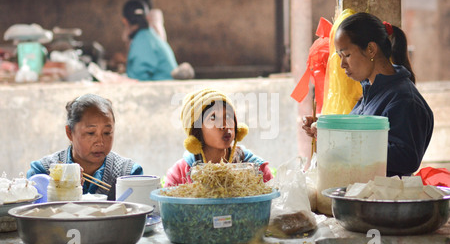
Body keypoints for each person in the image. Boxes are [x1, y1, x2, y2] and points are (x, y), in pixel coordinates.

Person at [303, 12, 434, 177]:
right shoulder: (371, 92)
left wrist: (336, 138)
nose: (342, 64)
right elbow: (356, 137)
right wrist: (327, 129)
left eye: (347, 55)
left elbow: (407, 158)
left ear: (371, 49)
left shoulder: (404, 99)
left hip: (384, 200)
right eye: (340, 57)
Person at [27, 94, 143, 199]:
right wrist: (61, 192)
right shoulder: (44, 172)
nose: (100, 142)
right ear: (70, 132)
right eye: (91, 133)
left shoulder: (128, 175)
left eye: (107, 132)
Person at [165, 88, 273, 186]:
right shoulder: (180, 175)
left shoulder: (258, 170)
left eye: (228, 116)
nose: (224, 125)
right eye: (213, 117)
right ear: (196, 131)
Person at [122, 0, 177, 81]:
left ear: (125, 21)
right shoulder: (149, 36)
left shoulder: (142, 42)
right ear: (147, 17)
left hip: (162, 91)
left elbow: (138, 79)